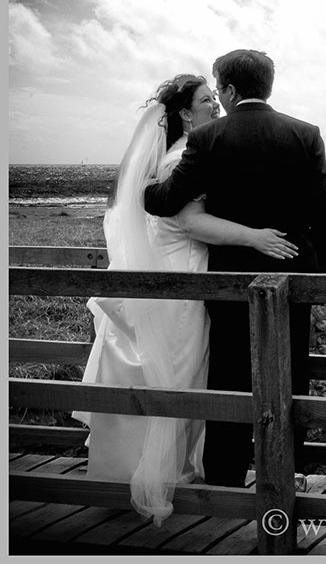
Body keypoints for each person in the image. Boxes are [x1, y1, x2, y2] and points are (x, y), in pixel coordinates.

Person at [74, 74, 299, 525]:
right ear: (183, 113)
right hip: (183, 275)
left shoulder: (177, 154)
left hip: (163, 266)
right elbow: (193, 223)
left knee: (162, 367)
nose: (215, 106)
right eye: (205, 101)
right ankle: (166, 473)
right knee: (179, 368)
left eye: (216, 98)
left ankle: (136, 471)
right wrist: (255, 237)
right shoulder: (184, 157)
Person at [144, 50, 326, 488]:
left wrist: (145, 192)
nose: (217, 96)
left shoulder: (208, 138)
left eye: (218, 88)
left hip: (231, 273)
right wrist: (315, 266)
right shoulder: (306, 133)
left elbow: (169, 200)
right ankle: (293, 471)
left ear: (231, 90)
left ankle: (226, 476)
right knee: (293, 369)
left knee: (230, 371)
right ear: (266, 86)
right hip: (293, 269)